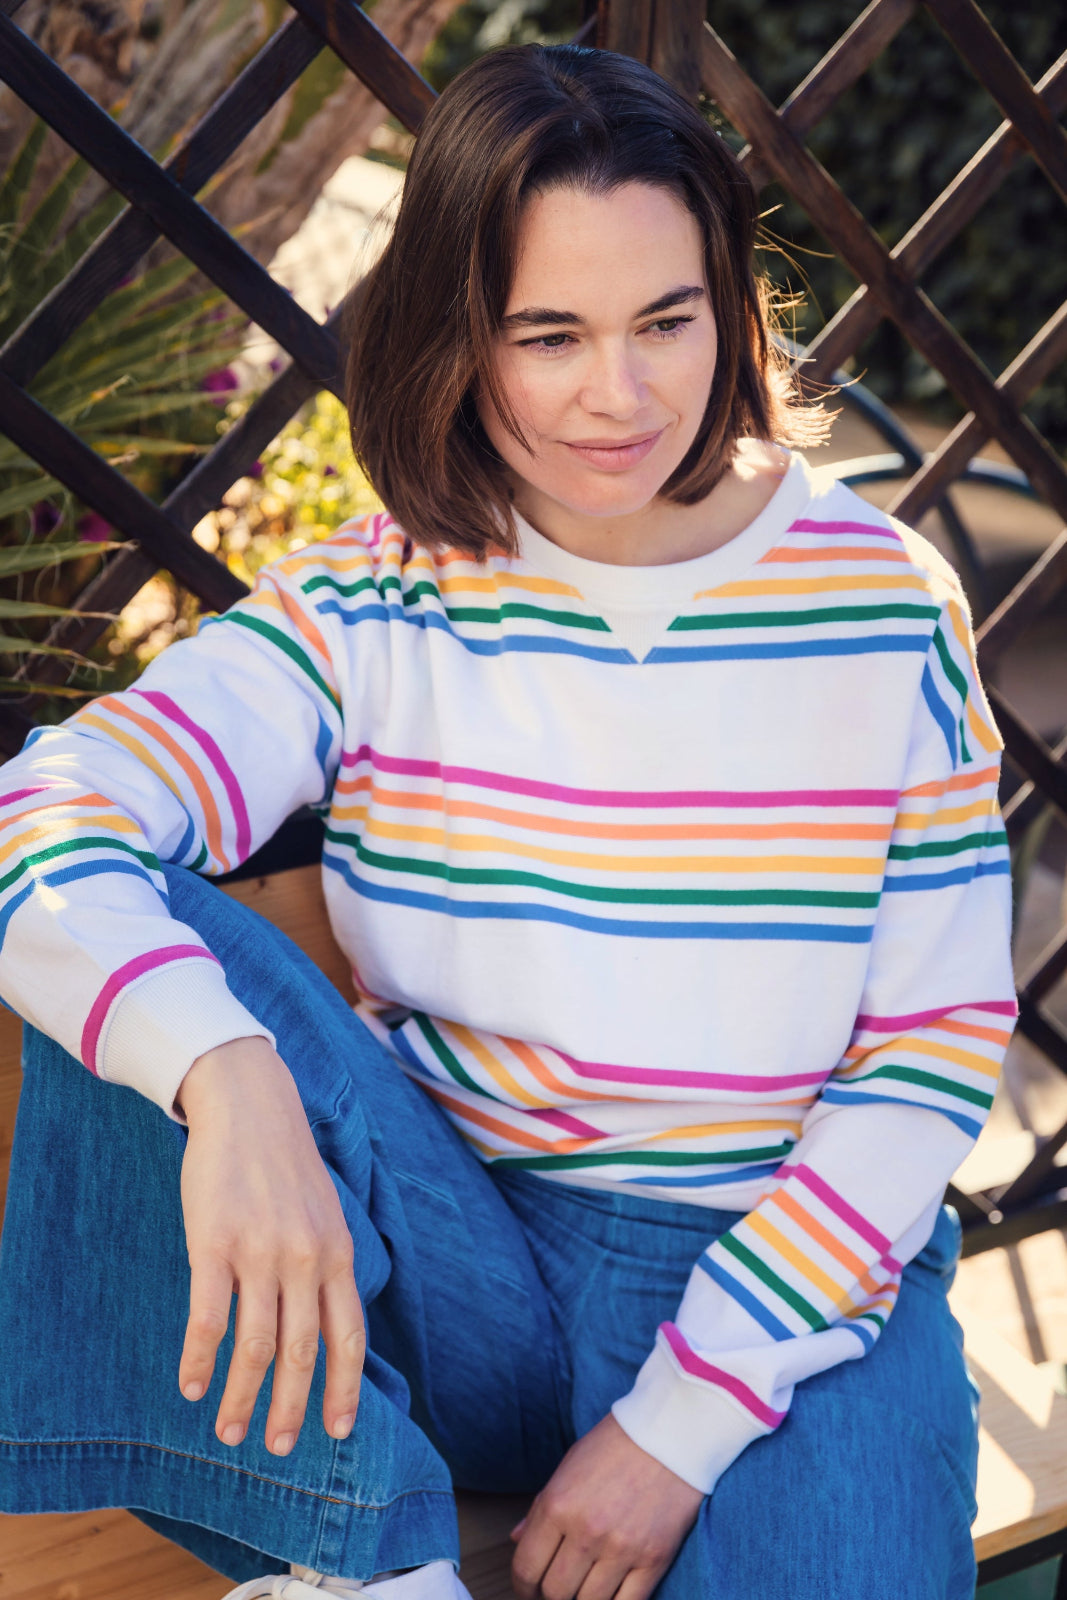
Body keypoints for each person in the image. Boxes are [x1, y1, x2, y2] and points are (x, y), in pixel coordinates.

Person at [0, 41, 1014, 1600]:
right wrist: (223, 1078)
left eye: (666, 322)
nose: (621, 395)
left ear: (729, 310)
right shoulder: (372, 594)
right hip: (454, 1264)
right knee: (157, 960)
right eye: (550, 335)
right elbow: (48, 805)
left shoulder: (880, 608)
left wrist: (676, 1426)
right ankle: (368, 1569)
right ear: (459, 338)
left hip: (796, 1286)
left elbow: (935, 1049)